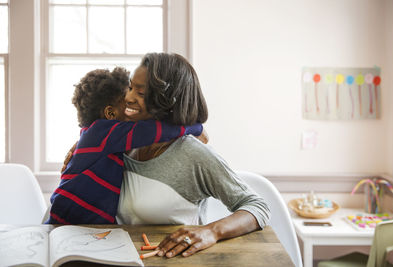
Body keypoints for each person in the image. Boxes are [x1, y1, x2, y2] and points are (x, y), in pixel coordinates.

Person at [117, 53, 270, 258]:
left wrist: (212, 231)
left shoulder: (192, 154)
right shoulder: (124, 142)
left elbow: (257, 207)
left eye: (141, 93)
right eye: (130, 87)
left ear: (167, 101)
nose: (128, 97)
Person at [46, 67, 202, 224]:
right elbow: (150, 131)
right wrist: (195, 127)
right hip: (65, 221)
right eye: (128, 103)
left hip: (90, 226)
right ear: (111, 113)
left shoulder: (102, 138)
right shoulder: (102, 133)